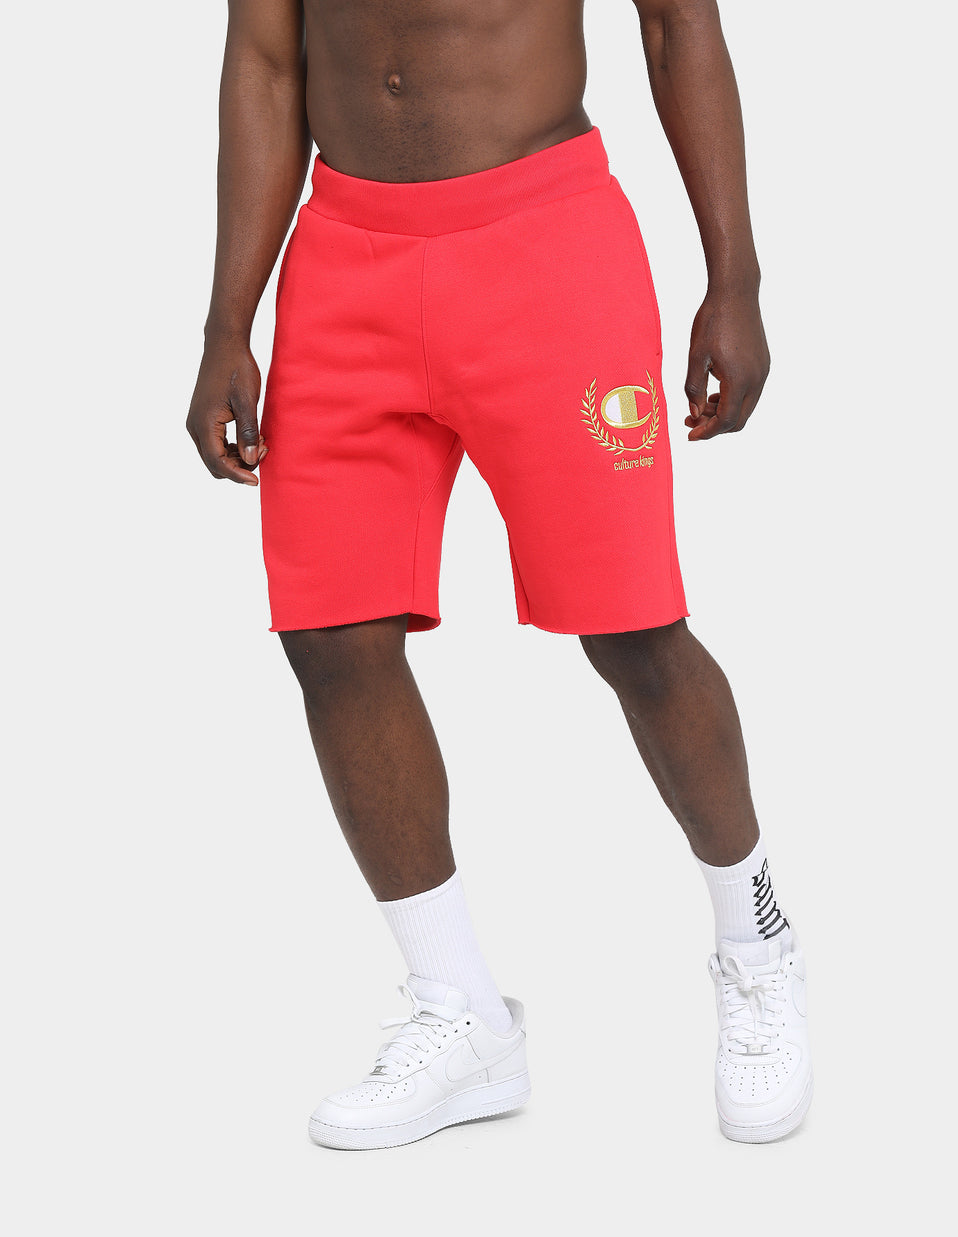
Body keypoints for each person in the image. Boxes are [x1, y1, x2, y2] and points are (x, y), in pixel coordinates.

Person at [185, 0, 812, 1149]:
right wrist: (228, 319)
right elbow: (265, 62)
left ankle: (756, 942)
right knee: (330, 631)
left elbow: (677, 26)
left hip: (544, 247)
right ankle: (459, 1008)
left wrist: (735, 279)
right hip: (345, 261)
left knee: (633, 628)